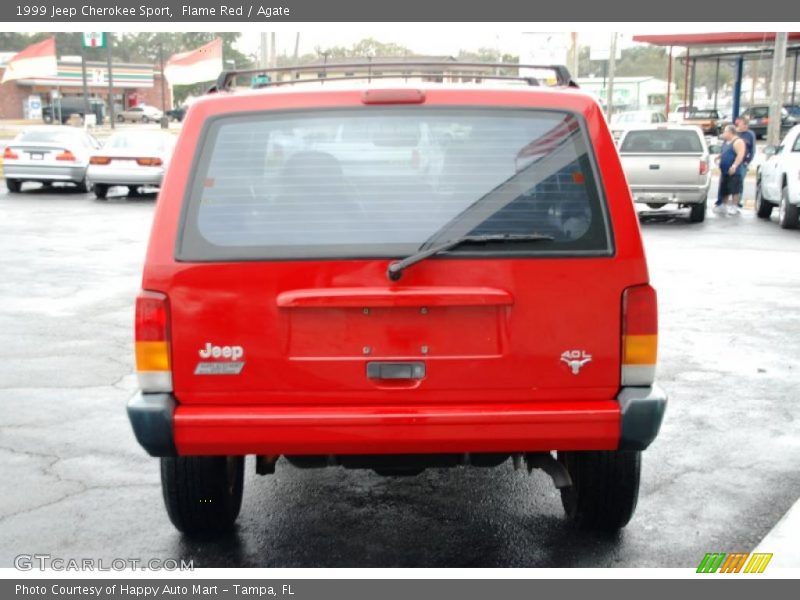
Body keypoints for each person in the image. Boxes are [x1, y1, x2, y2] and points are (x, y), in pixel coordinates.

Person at [715, 125, 746, 216]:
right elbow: (724, 152)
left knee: (734, 189)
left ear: (730, 132)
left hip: (734, 171)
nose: (724, 134)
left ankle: (734, 206)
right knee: (725, 189)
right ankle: (723, 205)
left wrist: (734, 166)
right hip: (725, 171)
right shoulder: (726, 142)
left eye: (725, 132)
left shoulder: (738, 142)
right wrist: (718, 157)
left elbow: (740, 155)